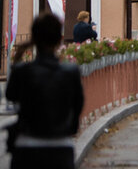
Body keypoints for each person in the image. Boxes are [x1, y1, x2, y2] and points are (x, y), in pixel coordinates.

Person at [6, 13, 84, 169]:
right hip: (61, 147)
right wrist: (71, 128)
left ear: (34, 38)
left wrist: (17, 59)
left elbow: (10, 95)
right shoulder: (70, 72)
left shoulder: (23, 71)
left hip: (27, 146)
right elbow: (78, 105)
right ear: (59, 40)